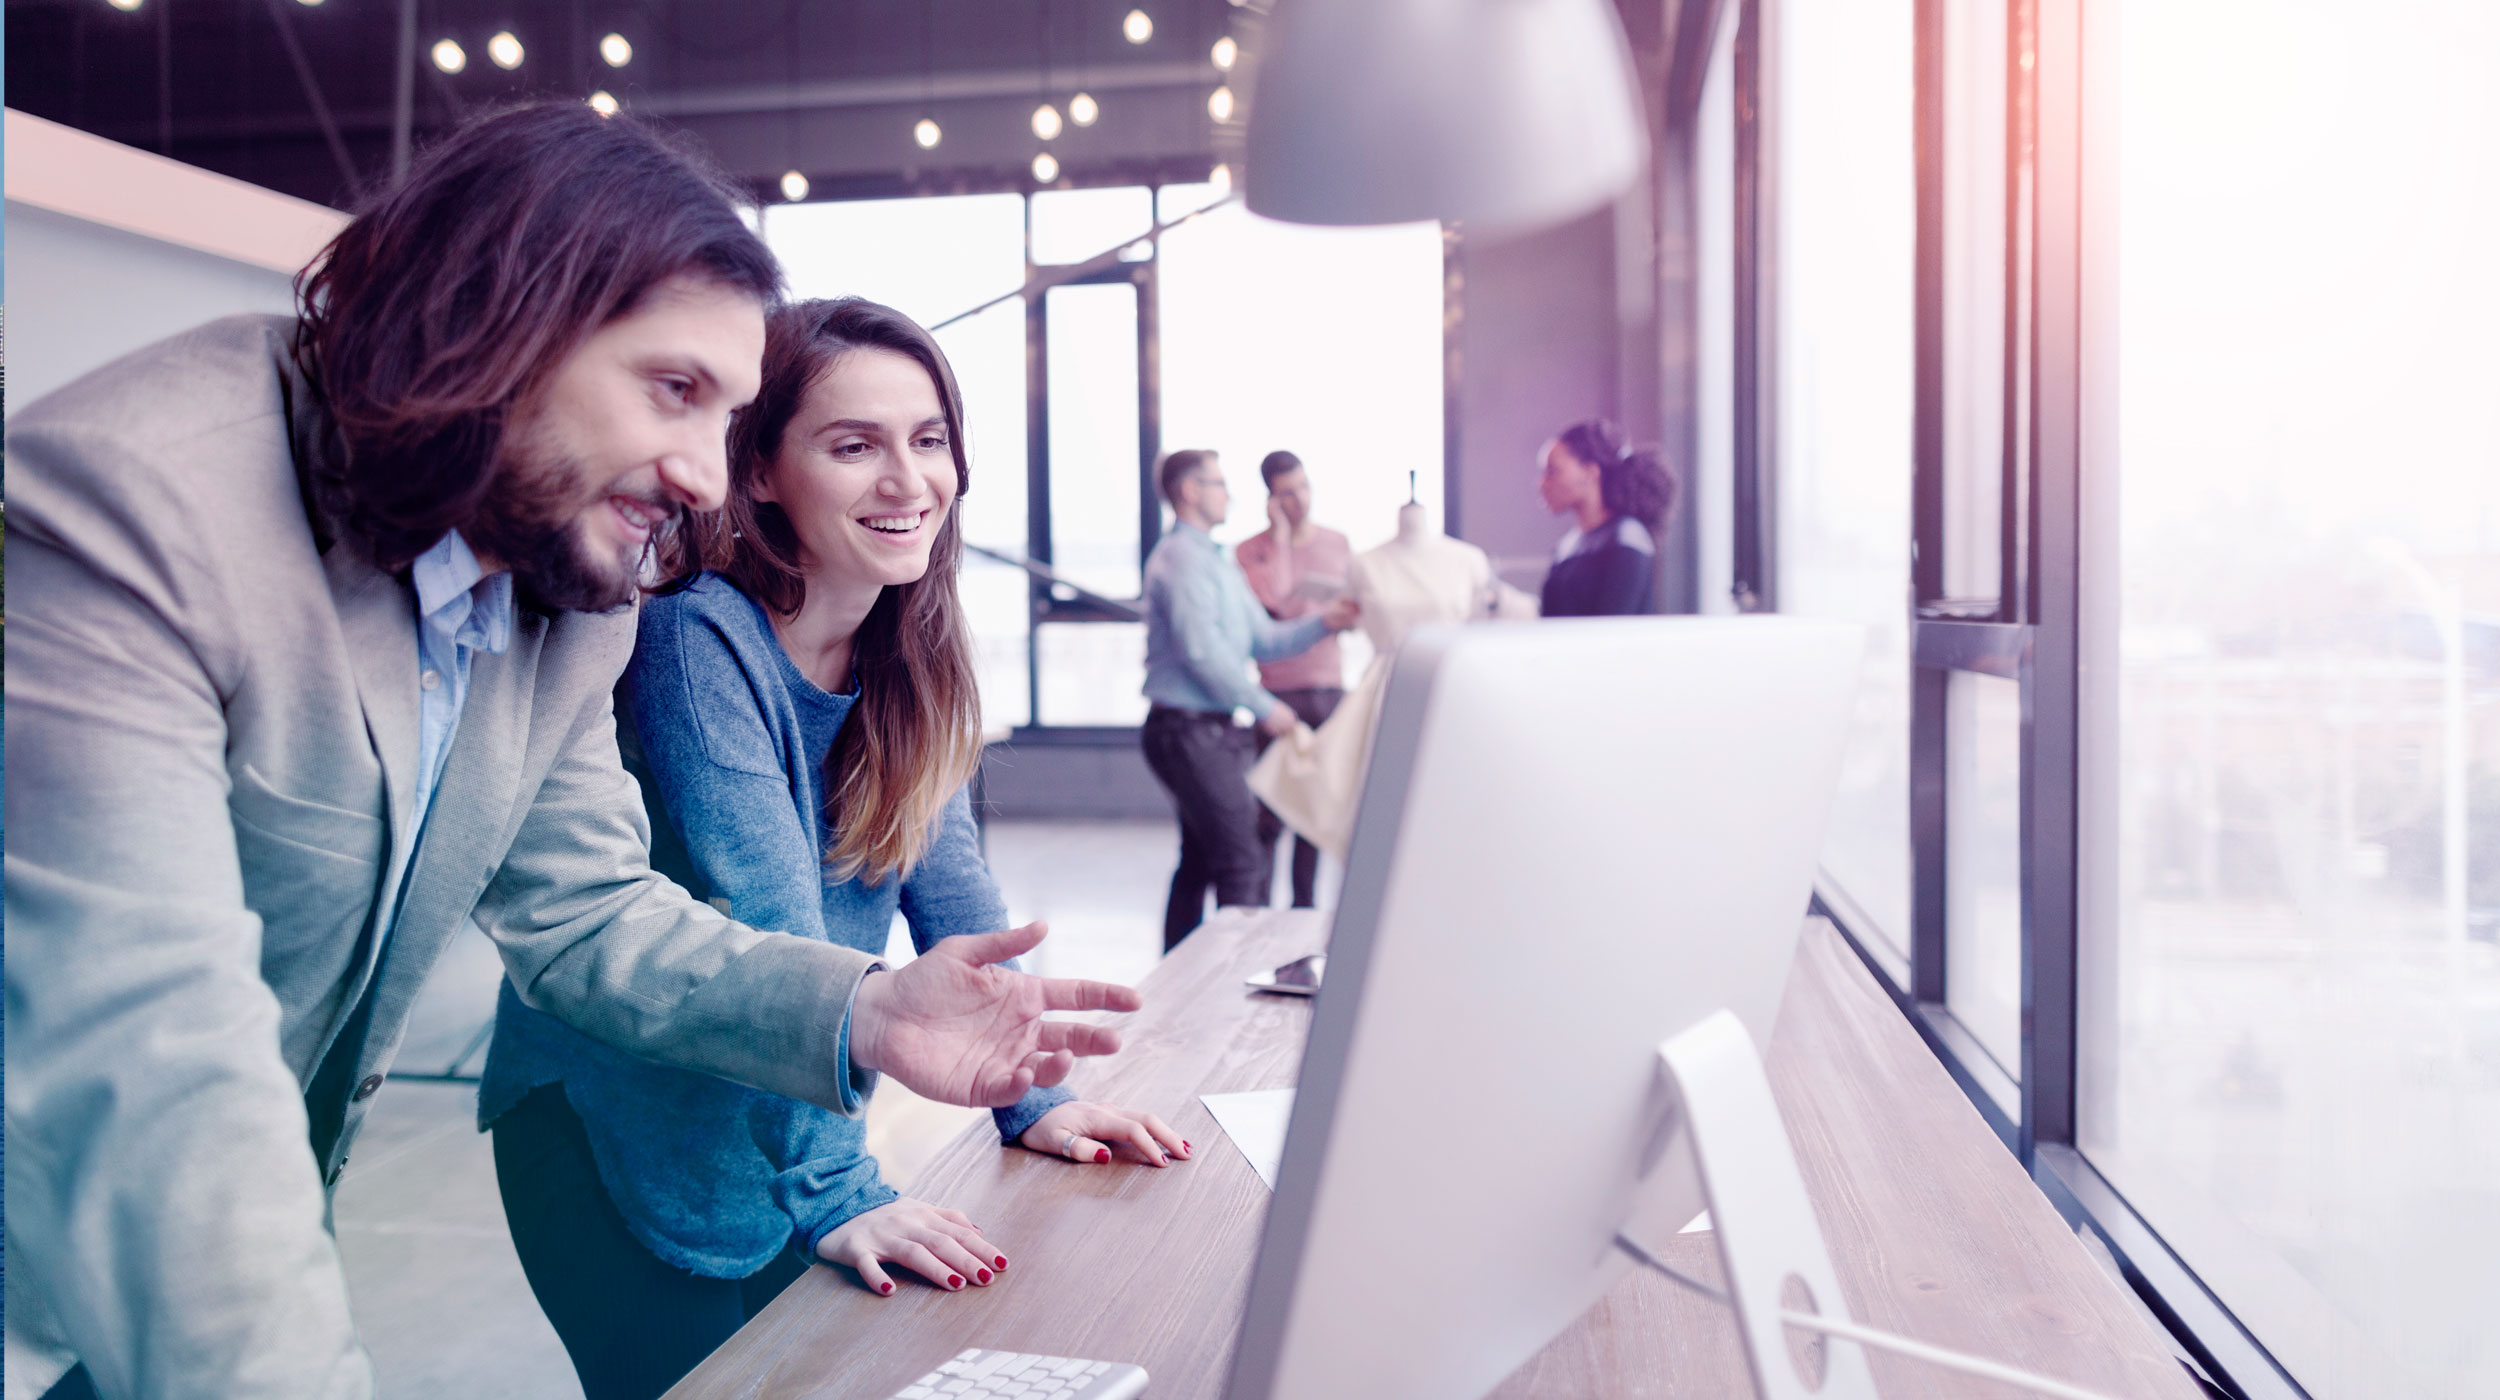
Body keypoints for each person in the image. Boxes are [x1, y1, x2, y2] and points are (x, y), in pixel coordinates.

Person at [1, 104, 1138, 1400]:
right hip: (56, 1264)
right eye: (675, 392)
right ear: (498, 322)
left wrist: (871, 1008)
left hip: (222, 1242)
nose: (710, 480)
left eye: (729, 417)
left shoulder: (569, 585)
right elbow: (157, 1084)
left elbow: (590, 910)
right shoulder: (129, 509)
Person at [484, 297, 1192, 1400]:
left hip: (777, 1123)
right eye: (853, 445)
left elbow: (961, 904)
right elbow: (772, 920)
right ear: (758, 469)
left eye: (929, 439)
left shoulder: (909, 648)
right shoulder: (694, 635)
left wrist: (1033, 1092)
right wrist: (839, 1189)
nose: (908, 481)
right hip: (618, 1131)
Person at [1140, 450, 1359, 950]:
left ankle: (1174, 981)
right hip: (1186, 731)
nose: (1229, 494)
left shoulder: (1216, 559)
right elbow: (1203, 654)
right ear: (1190, 492)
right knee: (1243, 860)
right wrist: (1267, 707)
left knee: (1199, 859)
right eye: (1218, 483)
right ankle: (1234, 988)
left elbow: (1264, 639)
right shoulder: (1181, 561)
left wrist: (1327, 622)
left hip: (1207, 729)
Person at [1233, 450, 1352, 909]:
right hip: (1277, 697)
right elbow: (1279, 607)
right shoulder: (1250, 552)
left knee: (1313, 814)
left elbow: (1352, 610)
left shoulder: (1338, 543)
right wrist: (1281, 541)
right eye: (1286, 493)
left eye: (1303, 488)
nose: (1299, 500)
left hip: (1328, 690)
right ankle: (1260, 914)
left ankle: (1305, 911)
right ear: (1270, 499)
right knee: (1271, 814)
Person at [1535, 418, 1677, 617]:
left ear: (1590, 473)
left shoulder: (1626, 537)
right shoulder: (1566, 546)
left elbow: (1611, 632)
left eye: (1552, 471)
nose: (1542, 483)